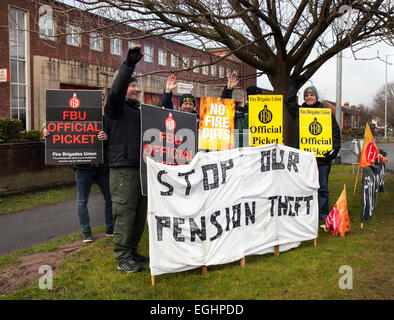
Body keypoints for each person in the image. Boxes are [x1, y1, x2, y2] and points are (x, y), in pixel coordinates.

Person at [104, 44, 149, 273]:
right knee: (124, 214)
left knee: (139, 216)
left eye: (136, 87)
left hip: (142, 169)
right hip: (124, 170)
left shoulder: (140, 111)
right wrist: (129, 64)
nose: (135, 89)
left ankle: (132, 251)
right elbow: (117, 89)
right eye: (132, 86)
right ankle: (122, 257)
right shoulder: (114, 108)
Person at [43, 120, 114, 243]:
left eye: (102, 99)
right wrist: (49, 135)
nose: (100, 101)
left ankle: (110, 229)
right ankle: (86, 233)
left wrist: (107, 138)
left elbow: (116, 140)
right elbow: (62, 136)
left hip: (103, 167)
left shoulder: (105, 119)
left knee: (110, 198)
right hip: (83, 168)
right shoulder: (76, 121)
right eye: (98, 99)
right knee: (82, 200)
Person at [284, 76, 341, 220]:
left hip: (322, 158)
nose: (309, 97)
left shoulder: (327, 114)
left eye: (312, 95)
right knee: (303, 187)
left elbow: (335, 133)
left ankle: (322, 214)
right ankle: (305, 213)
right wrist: (295, 87)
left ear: (316, 97)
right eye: (307, 95)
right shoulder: (299, 112)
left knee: (322, 187)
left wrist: (334, 150)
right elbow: (288, 101)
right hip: (304, 158)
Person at [221, 72, 263, 147]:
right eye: (256, 98)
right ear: (249, 99)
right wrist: (228, 90)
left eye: (261, 98)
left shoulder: (265, 116)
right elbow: (224, 108)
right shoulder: (239, 112)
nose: (259, 101)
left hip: (257, 154)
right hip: (240, 151)